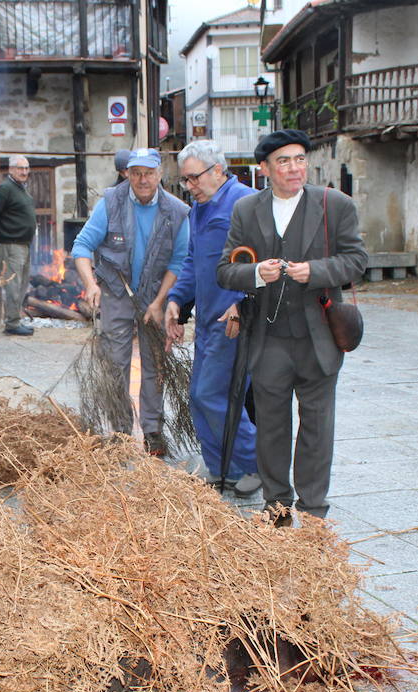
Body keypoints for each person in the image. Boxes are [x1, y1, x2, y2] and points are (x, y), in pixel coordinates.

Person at [216, 129, 368, 525]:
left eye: (300, 158)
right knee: (271, 428)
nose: (295, 167)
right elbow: (225, 271)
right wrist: (255, 273)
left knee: (317, 427)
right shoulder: (247, 210)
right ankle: (277, 506)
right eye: (284, 161)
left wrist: (314, 271)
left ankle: (314, 510)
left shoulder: (334, 205)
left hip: (319, 336)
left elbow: (356, 260)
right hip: (268, 340)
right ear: (264, 168)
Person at [72, 148, 190, 457]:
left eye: (148, 173)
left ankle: (152, 430)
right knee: (115, 365)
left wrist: (160, 302)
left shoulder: (177, 211)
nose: (142, 179)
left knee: (156, 366)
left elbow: (179, 262)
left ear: (159, 174)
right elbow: (82, 246)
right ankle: (121, 431)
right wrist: (90, 284)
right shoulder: (111, 202)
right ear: (127, 173)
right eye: (135, 173)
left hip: (155, 297)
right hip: (115, 293)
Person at [163, 139, 260, 495]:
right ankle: (223, 467)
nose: (188, 187)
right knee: (199, 397)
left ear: (217, 170)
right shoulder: (199, 210)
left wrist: (243, 302)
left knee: (216, 396)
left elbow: (263, 261)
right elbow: (192, 262)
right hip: (207, 319)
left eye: (192, 179)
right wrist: (176, 300)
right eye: (185, 180)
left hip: (233, 320)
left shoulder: (247, 203)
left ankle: (255, 463)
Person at [0, 155, 37, 336]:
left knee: (21, 284)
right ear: (11, 169)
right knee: (13, 285)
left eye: (26, 168)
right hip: (11, 244)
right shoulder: (5, 188)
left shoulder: (20, 188)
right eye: (20, 168)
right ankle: (12, 324)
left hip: (23, 244)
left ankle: (15, 319)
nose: (24, 172)